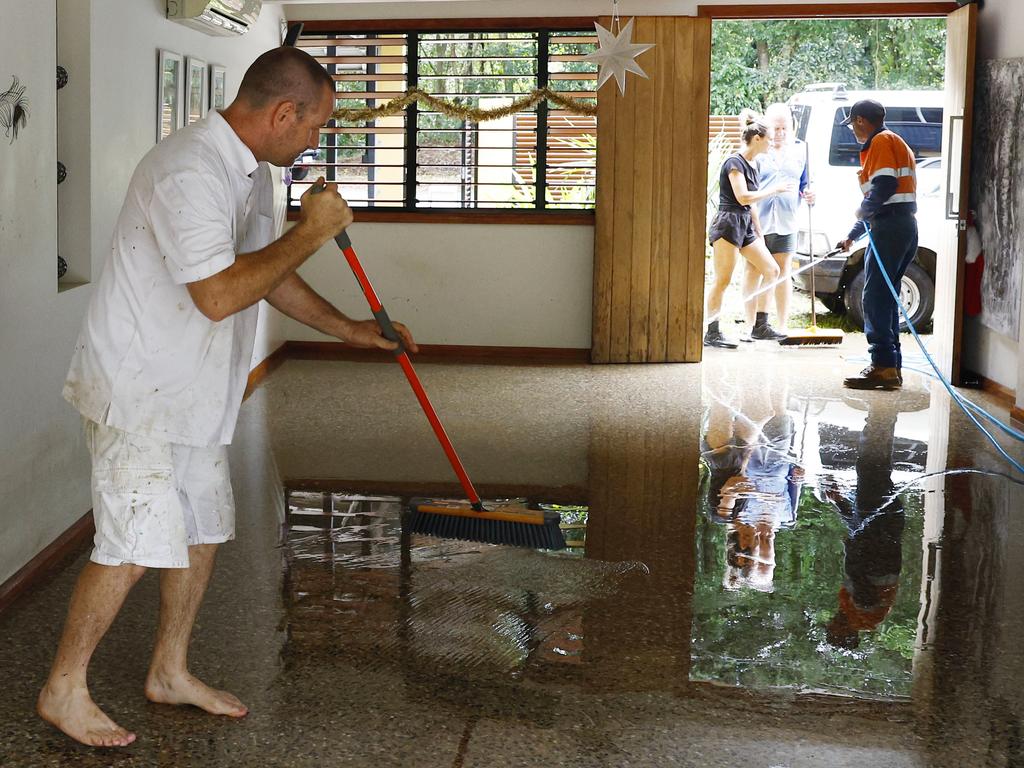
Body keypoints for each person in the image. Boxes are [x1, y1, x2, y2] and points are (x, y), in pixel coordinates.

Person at [37, 46, 417, 748]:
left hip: (193, 392)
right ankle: (63, 689)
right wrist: (311, 233)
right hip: (140, 393)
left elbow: (262, 272)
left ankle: (170, 670)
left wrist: (349, 331)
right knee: (131, 543)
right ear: (282, 113)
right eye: (313, 128)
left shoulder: (243, 173)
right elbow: (218, 295)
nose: (313, 142)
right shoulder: (189, 171)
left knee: (202, 529)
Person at [836, 99, 918, 390]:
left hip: (891, 228)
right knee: (885, 296)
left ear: (860, 120)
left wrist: (863, 210)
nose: (854, 132)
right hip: (901, 225)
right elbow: (885, 199)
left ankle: (882, 366)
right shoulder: (894, 141)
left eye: (853, 125)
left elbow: (884, 188)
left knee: (874, 298)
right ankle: (890, 367)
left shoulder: (881, 142)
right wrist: (853, 234)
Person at [705, 112, 794, 349]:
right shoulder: (734, 163)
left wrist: (759, 233)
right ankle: (712, 331)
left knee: (772, 269)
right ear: (756, 138)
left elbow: (751, 205)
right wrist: (773, 190)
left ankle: (760, 326)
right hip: (728, 223)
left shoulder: (752, 164)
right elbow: (743, 196)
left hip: (744, 224)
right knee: (723, 280)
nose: (771, 141)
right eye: (768, 138)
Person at [744, 103, 816, 336]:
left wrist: (810, 194)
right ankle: (750, 324)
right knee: (754, 269)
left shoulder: (800, 150)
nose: (780, 133)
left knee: (783, 270)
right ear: (766, 126)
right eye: (776, 128)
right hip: (757, 222)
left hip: (787, 220)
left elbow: (806, 184)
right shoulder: (757, 150)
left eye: (785, 128)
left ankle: (782, 324)